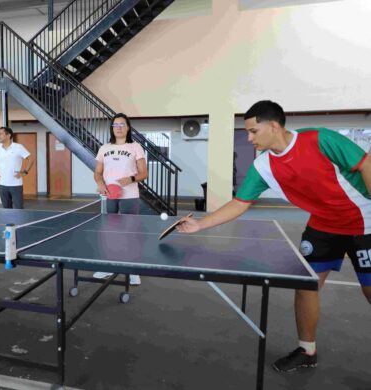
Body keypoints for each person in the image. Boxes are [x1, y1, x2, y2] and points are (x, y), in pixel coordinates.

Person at [176, 100, 371, 372]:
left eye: (253, 131)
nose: (249, 137)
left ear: (274, 126)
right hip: (323, 226)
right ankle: (307, 349)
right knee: (306, 286)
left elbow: (366, 165)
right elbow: (240, 202)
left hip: (365, 221)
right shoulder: (263, 166)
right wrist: (201, 225)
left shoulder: (321, 139)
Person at [93, 113, 148, 285]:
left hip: (129, 196)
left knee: (130, 233)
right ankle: (109, 266)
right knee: (111, 233)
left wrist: (130, 179)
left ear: (128, 127)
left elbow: (144, 173)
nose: (118, 127)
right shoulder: (104, 148)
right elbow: (97, 172)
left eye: (122, 124)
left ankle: (132, 270)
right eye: (115, 125)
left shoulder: (135, 147)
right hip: (110, 195)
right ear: (112, 128)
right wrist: (100, 183)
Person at [0, 126, 34, 209]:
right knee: (6, 209)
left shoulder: (18, 147)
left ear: (8, 135)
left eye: (1, 134)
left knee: (19, 208)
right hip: (2, 184)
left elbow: (30, 158)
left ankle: (20, 223)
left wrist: (25, 172)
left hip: (15, 184)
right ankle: (9, 223)